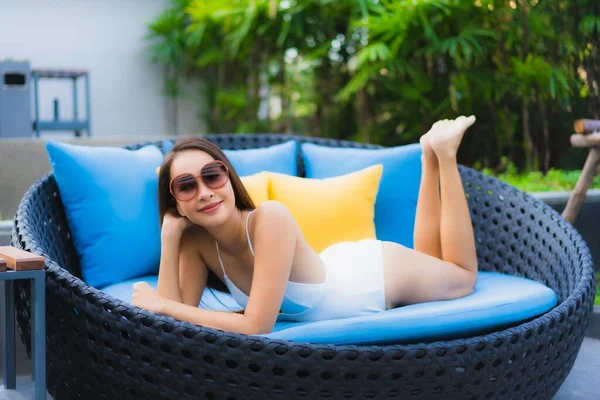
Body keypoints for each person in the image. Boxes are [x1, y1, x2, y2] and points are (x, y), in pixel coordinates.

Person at [132, 115, 479, 335]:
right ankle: (427, 156)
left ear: (229, 178)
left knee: (461, 276)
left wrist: (161, 304)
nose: (205, 192)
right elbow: (172, 328)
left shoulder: (270, 218)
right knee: (434, 261)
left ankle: (442, 155)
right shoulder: (196, 244)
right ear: (175, 200)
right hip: (338, 269)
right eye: (186, 185)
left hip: (375, 276)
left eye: (212, 176)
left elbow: (255, 325)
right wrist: (170, 236)